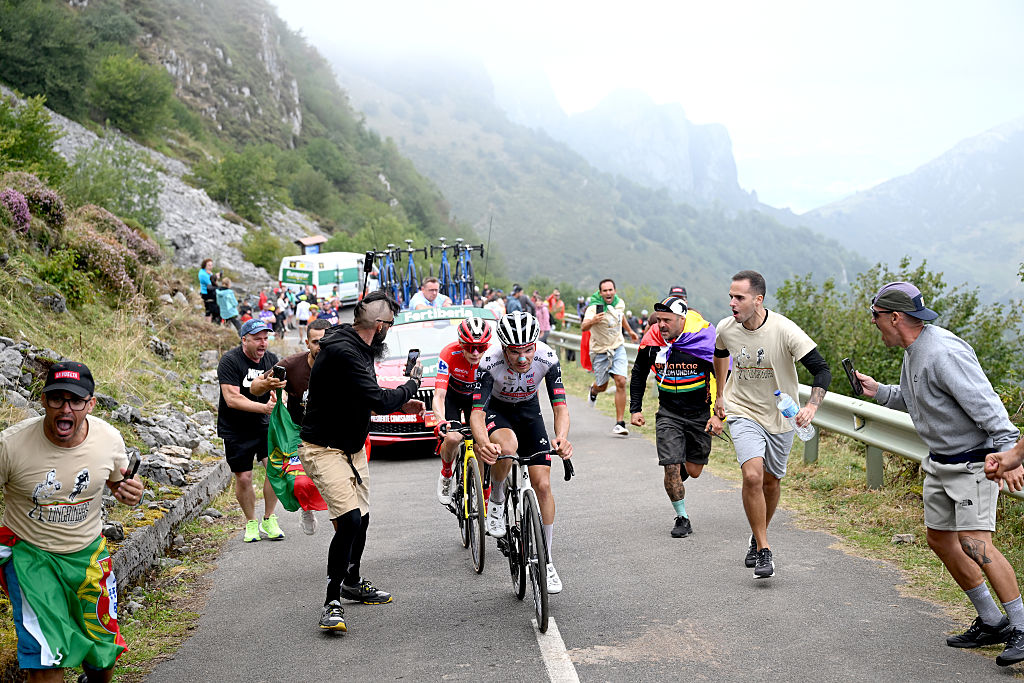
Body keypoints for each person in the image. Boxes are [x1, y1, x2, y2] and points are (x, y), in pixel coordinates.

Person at [856, 281, 1024, 667]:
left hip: (974, 463)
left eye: (876, 316)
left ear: (895, 318)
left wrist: (1008, 452)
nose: (873, 323)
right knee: (940, 540)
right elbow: (918, 398)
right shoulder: (914, 349)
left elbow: (987, 404)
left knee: (976, 544)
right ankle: (992, 621)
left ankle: (1020, 626)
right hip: (940, 462)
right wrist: (879, 391)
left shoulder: (942, 352)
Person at [0, 361, 144, 682]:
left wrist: (130, 492)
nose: (65, 409)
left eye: (76, 401)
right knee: (47, 659)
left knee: (103, 657)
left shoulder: (108, 439)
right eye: (57, 399)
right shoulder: (10, 446)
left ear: (90, 404)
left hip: (88, 555)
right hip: (31, 558)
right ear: (43, 400)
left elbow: (119, 484)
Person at [299, 291, 425, 631]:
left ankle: (351, 581)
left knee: (363, 518)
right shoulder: (345, 352)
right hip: (323, 449)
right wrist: (411, 385)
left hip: (351, 448)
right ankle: (332, 601)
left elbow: (362, 394)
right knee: (350, 521)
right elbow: (379, 400)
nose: (388, 333)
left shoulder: (354, 343)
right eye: (390, 325)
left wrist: (401, 403)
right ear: (380, 325)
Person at [712, 270, 831, 579]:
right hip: (742, 410)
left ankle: (757, 531)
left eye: (739, 298)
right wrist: (720, 396)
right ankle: (764, 549)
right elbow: (719, 353)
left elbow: (822, 369)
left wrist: (812, 406)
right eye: (731, 297)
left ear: (758, 299)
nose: (732, 303)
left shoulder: (784, 330)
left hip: (780, 416)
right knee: (752, 476)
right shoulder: (726, 327)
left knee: (771, 481)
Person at [471, 311, 573, 593]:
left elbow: (560, 406)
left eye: (529, 349)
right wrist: (483, 443)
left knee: (542, 484)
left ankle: (547, 561)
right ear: (504, 348)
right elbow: (477, 413)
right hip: (498, 411)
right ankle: (498, 497)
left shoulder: (548, 358)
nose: (524, 358)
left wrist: (562, 438)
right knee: (507, 447)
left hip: (529, 413)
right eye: (516, 352)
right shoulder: (489, 363)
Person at [630, 297, 721, 538]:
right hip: (668, 414)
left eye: (667, 320)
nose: (661, 325)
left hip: (699, 415)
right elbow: (638, 373)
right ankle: (682, 518)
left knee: (693, 470)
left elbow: (723, 375)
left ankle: (677, 471)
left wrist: (718, 413)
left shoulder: (700, 343)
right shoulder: (652, 344)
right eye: (658, 320)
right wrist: (635, 408)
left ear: (682, 320)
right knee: (671, 466)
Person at [218, 319, 287, 544]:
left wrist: (278, 403)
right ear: (244, 340)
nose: (263, 343)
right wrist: (263, 408)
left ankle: (269, 517)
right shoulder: (230, 361)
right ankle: (251, 521)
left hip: (265, 426)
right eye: (257, 338)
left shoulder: (272, 360)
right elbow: (231, 398)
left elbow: (279, 391)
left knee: (275, 470)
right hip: (236, 429)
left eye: (266, 338)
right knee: (245, 477)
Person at [277, 318, 332, 535]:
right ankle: (306, 508)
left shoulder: (343, 363)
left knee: (331, 478)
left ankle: (341, 514)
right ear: (307, 343)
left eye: (325, 341)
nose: (320, 346)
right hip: (298, 432)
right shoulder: (291, 364)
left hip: (331, 431)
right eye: (316, 342)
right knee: (299, 482)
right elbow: (258, 385)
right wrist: (273, 389)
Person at [433, 317, 492, 505]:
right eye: (469, 347)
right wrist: (440, 419)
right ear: (461, 344)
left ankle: (484, 494)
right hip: (453, 397)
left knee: (481, 447)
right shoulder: (449, 354)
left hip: (477, 400)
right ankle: (447, 473)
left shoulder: (492, 356)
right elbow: (440, 395)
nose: (475, 353)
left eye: (481, 348)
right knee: (452, 438)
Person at [582, 278, 639, 435]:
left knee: (621, 381)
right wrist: (593, 320)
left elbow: (621, 317)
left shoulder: (619, 303)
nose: (608, 293)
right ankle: (593, 391)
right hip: (600, 351)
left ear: (615, 291)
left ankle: (620, 423)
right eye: (605, 290)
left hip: (617, 346)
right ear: (600, 293)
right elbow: (583, 326)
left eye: (610, 290)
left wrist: (630, 332)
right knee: (603, 386)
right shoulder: (593, 308)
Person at [199, 258, 218, 323]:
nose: (210, 267)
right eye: (209, 265)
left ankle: (209, 322)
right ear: (205, 265)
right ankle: (208, 323)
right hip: (206, 293)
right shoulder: (203, 274)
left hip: (210, 292)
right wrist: (216, 278)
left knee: (210, 309)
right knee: (209, 309)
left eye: (211, 265)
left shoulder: (208, 272)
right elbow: (211, 283)